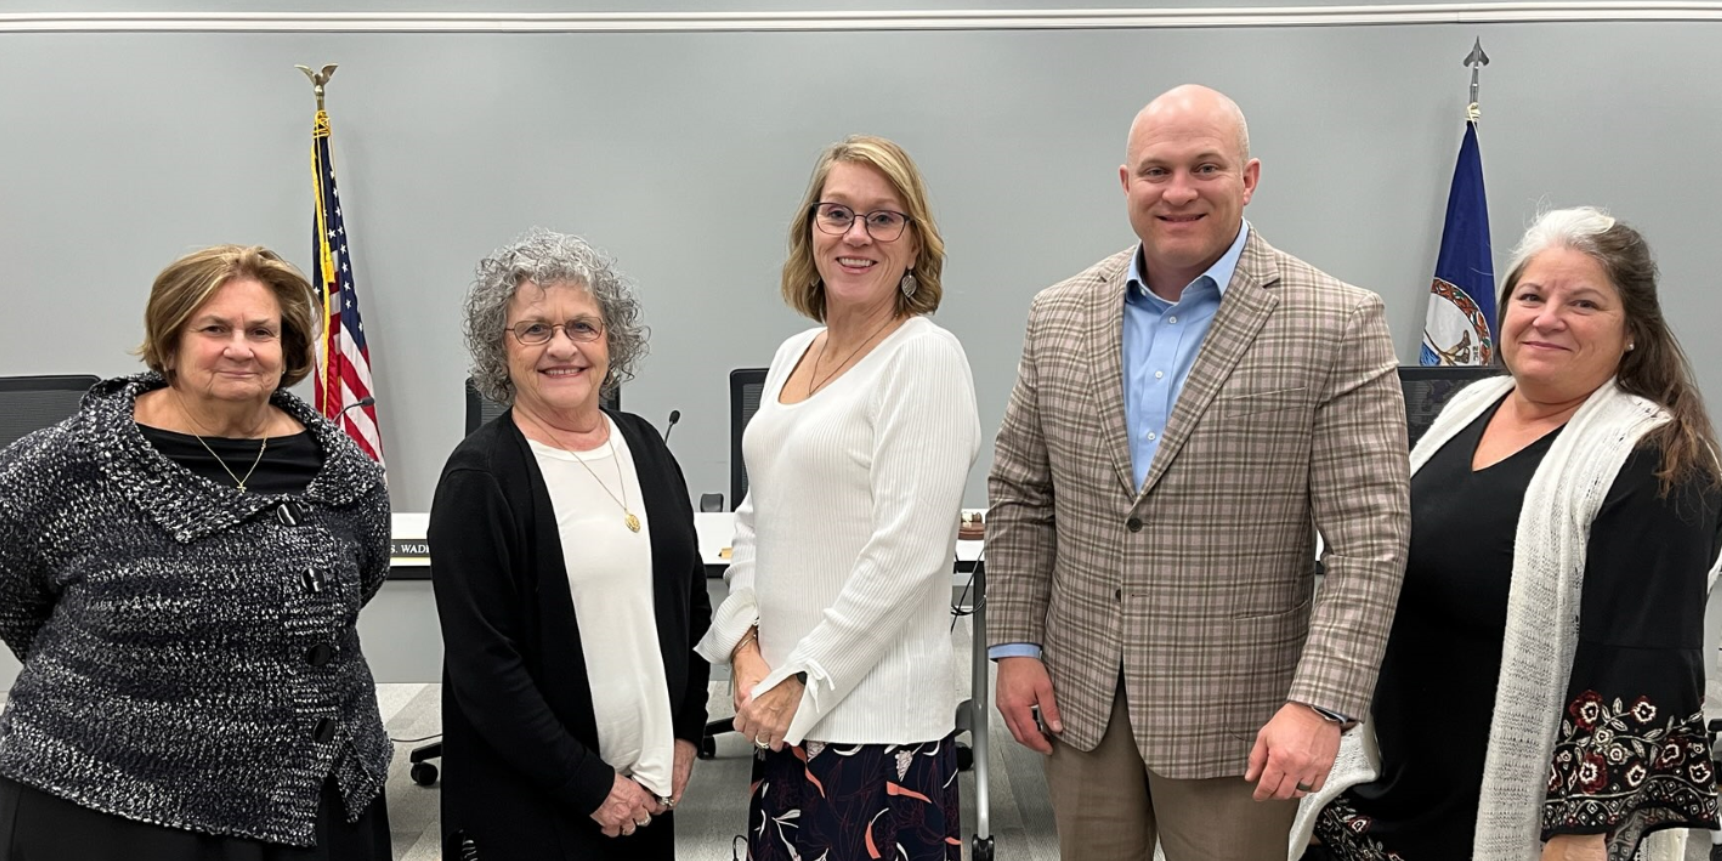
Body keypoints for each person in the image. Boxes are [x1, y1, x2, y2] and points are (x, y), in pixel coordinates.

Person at [985, 83, 1412, 860]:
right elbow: (1022, 491)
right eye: (1156, 171)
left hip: (1241, 714)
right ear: (1126, 184)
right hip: (1079, 698)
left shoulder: (1337, 319)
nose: (1178, 190)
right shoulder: (1059, 313)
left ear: (1248, 179)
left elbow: (1370, 539)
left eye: (1205, 167)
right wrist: (1014, 645)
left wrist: (1320, 701)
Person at [1297, 207, 1722, 861]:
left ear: (1633, 330)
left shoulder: (1660, 457)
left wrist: (1580, 834)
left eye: (1583, 302)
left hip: (1509, 822)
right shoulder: (1470, 405)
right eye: (1531, 295)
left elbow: (1647, 659)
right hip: (1382, 800)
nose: (1548, 317)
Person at [0, 245, 393, 859]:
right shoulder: (71, 463)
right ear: (170, 341)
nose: (241, 347)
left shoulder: (346, 473)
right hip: (116, 800)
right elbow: (15, 594)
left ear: (287, 349)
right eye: (214, 328)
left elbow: (354, 589)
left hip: (317, 790)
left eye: (262, 331)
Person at [696, 134, 981, 861]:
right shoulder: (795, 353)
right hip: (786, 717)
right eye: (838, 213)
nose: (857, 234)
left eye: (884, 218)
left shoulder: (925, 356)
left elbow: (909, 554)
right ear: (811, 231)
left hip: (878, 736)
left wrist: (804, 677)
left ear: (914, 244)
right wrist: (749, 649)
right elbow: (758, 520)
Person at [429, 229, 711, 860]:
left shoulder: (645, 448)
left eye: (582, 326)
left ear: (613, 341)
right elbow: (486, 669)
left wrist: (685, 736)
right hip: (536, 805)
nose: (562, 346)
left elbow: (690, 604)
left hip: (645, 796)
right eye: (534, 329)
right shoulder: (480, 478)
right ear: (499, 352)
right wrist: (590, 786)